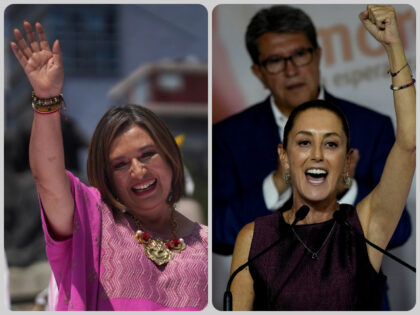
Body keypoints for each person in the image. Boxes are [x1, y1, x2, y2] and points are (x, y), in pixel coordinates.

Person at [212, 4, 411, 309]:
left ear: (318, 55)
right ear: (283, 154)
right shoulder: (252, 235)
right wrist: (278, 183)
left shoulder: (371, 129)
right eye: (276, 60)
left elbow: (408, 146)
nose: (317, 155)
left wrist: (394, 48)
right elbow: (216, 234)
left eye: (331, 144)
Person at [10, 21, 207, 311]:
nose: (138, 171)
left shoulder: (210, 245)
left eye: (148, 154)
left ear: (170, 156)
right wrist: (46, 98)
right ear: (106, 176)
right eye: (120, 164)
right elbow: (48, 179)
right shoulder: (93, 222)